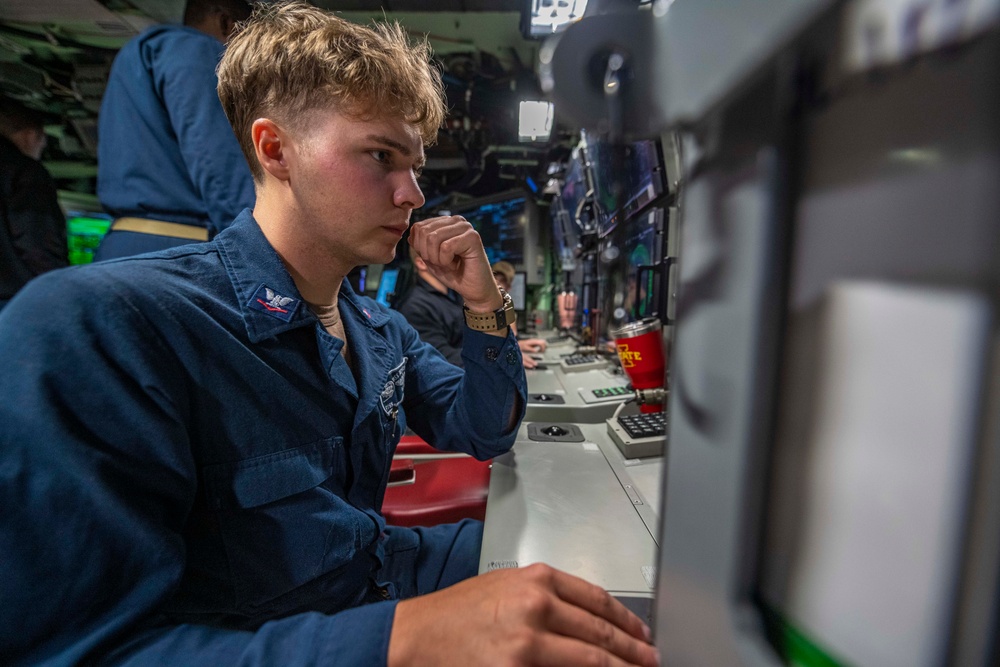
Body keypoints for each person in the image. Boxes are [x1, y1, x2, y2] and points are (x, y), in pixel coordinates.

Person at [0, 3, 658, 666]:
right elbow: (76, 651)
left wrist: (485, 302)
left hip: (370, 582)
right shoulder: (101, 326)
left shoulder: (376, 329)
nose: (411, 195)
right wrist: (406, 638)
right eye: (380, 156)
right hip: (300, 636)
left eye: (416, 166)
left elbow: (485, 428)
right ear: (275, 148)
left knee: (615, 582)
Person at [94, 0, 255, 260]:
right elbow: (218, 167)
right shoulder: (198, 50)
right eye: (253, 43)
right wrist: (260, 247)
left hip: (121, 244)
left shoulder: (137, 53)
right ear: (227, 23)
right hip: (180, 249)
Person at [0, 98, 67, 310]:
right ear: (31, 135)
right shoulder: (25, 171)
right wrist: (60, 293)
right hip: (13, 300)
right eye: (43, 142)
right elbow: (36, 240)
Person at [395, 244, 468, 366]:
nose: (454, 259)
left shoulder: (456, 294)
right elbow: (440, 358)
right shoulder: (415, 306)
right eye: (444, 254)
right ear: (422, 263)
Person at [491, 260, 549, 360]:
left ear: (509, 287)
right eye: (494, 279)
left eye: (502, 281)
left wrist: (519, 344)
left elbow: (505, 342)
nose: (497, 284)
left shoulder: (506, 311)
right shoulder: (475, 312)